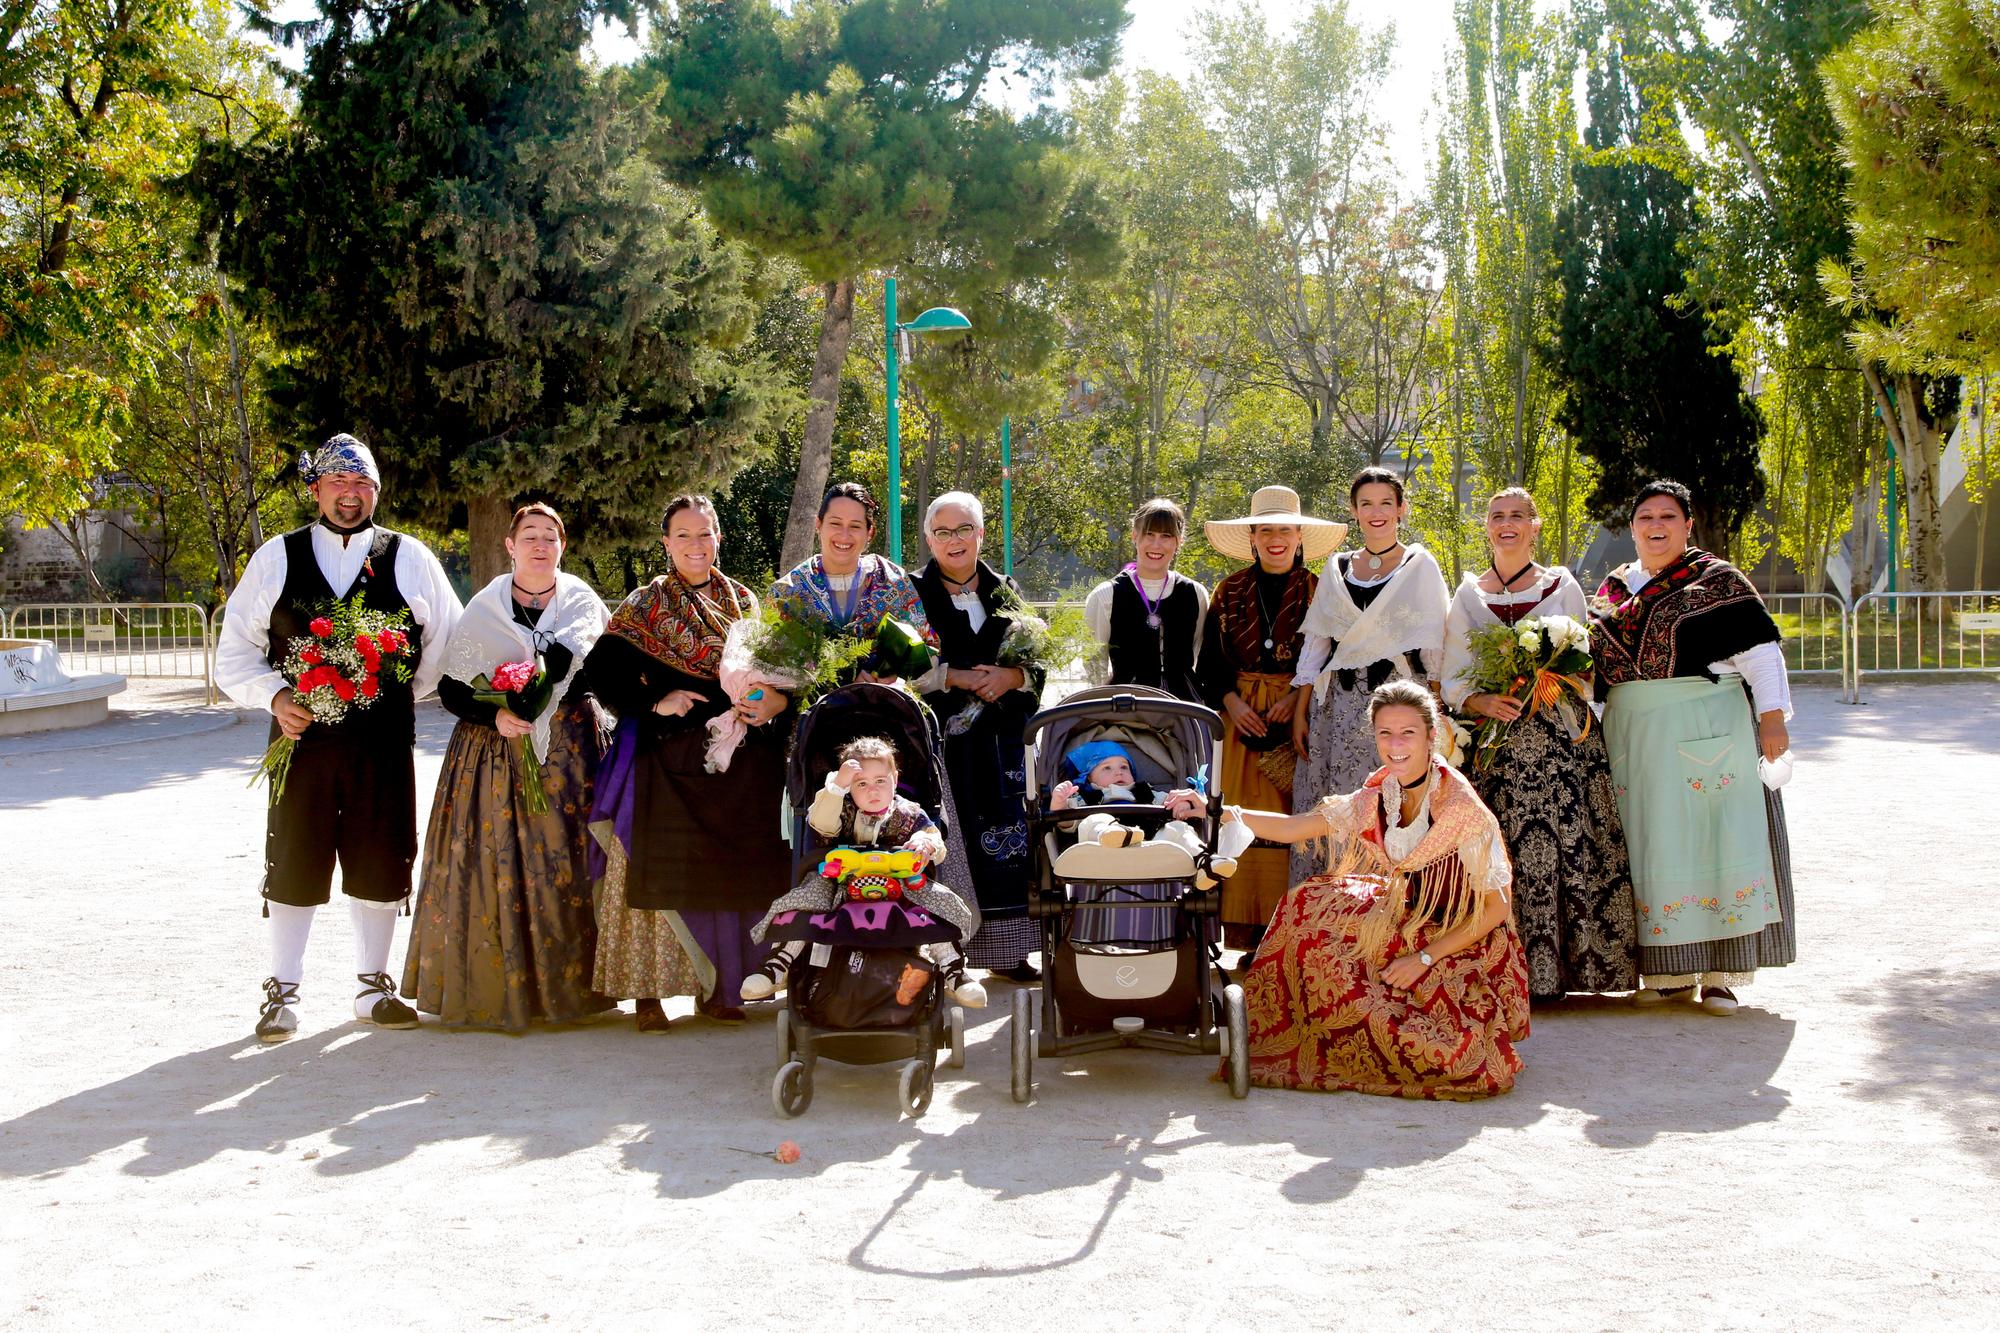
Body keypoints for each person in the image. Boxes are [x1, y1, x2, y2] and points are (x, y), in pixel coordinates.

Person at [215, 433, 462, 1042]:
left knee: (381, 853)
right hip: (302, 741)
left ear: (376, 491)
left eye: (362, 485)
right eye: (338, 484)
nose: (350, 496)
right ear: (316, 490)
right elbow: (233, 654)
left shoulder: (410, 557)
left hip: (382, 741)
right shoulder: (277, 556)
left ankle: (371, 985)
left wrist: (400, 689)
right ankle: (282, 991)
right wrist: (275, 696)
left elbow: (450, 642)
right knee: (297, 852)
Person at [1221, 681, 1530, 1099]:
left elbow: (1496, 909)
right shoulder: (1380, 792)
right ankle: (1321, 1045)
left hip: (1460, 935)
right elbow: (1297, 829)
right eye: (1385, 733)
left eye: (1408, 733)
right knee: (1304, 909)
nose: (1396, 744)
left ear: (1431, 735)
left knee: (1452, 1059)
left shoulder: (1460, 807)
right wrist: (1216, 810)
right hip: (1404, 911)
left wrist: (1423, 958)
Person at [581, 495, 793, 1030]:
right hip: (665, 758)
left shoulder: (745, 605)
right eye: (683, 535)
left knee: (729, 873)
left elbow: (778, 676)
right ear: (666, 543)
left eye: (704, 534)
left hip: (738, 764)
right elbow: (600, 672)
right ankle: (648, 994)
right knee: (655, 871)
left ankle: (724, 988)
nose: (695, 546)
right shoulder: (644, 605)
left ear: (719, 537)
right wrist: (656, 702)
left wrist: (762, 700)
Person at [400, 503, 613, 1031]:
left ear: (562, 548)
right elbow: (452, 689)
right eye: (530, 536)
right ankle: (499, 989)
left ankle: (574, 992)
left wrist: (542, 697)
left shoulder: (582, 603)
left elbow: (594, 672)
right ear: (510, 546)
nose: (541, 545)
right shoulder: (484, 608)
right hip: (495, 759)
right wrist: (497, 715)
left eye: (551, 538)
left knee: (568, 862)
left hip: (572, 756)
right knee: (497, 862)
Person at [1591, 479, 1796, 1015]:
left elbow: (1761, 654)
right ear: (1631, 528)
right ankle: (1667, 973)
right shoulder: (1614, 589)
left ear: (1687, 525)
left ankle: (1719, 975)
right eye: (1644, 517)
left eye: (1667, 516)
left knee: (1714, 844)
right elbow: (1596, 668)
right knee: (1652, 846)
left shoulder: (1718, 581)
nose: (1655, 526)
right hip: (1635, 736)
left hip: (1707, 727)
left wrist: (1772, 720)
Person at [1440, 487, 1639, 1001]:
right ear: (1485, 526)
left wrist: (1543, 683)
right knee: (1499, 846)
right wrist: (1482, 703)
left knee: (1563, 841)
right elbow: (1452, 676)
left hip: (1557, 738)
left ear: (1535, 526)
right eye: (1496, 516)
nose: (1506, 525)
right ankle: (1498, 971)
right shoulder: (1467, 593)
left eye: (1517, 517)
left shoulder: (1560, 584)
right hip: (1497, 743)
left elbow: (1580, 654)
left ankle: (1569, 971)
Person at [1197, 484, 1342, 953]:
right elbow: (1211, 661)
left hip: (1298, 718)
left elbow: (1330, 657)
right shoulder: (1229, 589)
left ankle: (1288, 936)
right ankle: (1242, 933)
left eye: (1285, 529)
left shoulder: (1321, 590)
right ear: (1253, 537)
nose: (1275, 538)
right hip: (1239, 717)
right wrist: (1234, 704)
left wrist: (1296, 697)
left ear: (1299, 535)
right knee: (1238, 821)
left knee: (1293, 818)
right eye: (1265, 530)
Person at [1289, 467, 1449, 883]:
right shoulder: (1337, 567)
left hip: (1399, 705)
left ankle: (1390, 920)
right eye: (1365, 504)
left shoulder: (1420, 565)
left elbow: (1433, 647)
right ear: (1354, 512)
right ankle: (1331, 917)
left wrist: (1438, 717)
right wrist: (1300, 712)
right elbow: (1317, 646)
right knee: (1336, 808)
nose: (1376, 512)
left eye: (1385, 503)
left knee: (1393, 804)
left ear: (1401, 509)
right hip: (1338, 709)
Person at [741, 738, 986, 1008]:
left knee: (937, 902)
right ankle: (778, 965)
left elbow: (933, 839)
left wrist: (925, 843)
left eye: (881, 781)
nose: (873, 791)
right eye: (861, 784)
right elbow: (820, 822)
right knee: (806, 900)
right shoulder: (841, 808)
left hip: (899, 883)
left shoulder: (909, 812)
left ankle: (953, 971)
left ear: (894, 778)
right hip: (840, 883)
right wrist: (836, 787)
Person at [911, 492, 1044, 982]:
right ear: (928, 539)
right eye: (942, 532)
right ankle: (945, 956)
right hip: (942, 744)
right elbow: (898, 667)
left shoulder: (1006, 590)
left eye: (963, 529)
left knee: (1006, 842)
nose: (954, 540)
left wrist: (1012, 678)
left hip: (1001, 742)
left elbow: (1039, 662)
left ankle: (1008, 954)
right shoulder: (911, 593)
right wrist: (957, 677)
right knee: (950, 842)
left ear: (982, 533)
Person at [769, 481, 939, 676]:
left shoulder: (892, 582)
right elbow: (771, 666)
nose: (844, 535)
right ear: (818, 524)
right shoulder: (789, 592)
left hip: (886, 703)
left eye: (855, 526)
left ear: (869, 532)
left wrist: (894, 680)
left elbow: (927, 653)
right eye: (835, 523)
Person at [1050, 741, 1253, 889]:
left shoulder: (1146, 792)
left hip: (1149, 846)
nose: (1118, 772)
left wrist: (1181, 804)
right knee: (1095, 819)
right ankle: (1115, 832)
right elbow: (1066, 823)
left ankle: (1205, 861)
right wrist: (1059, 802)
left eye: (1124, 766)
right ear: (1088, 777)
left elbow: (1170, 799)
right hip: (1099, 852)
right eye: (1107, 768)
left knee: (1179, 829)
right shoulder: (1085, 796)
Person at [1083, 497, 1208, 702]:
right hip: (1126, 702)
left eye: (1166, 536)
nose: (1156, 544)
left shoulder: (1196, 593)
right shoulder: (1105, 595)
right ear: (1135, 535)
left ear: (1179, 541)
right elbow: (1095, 664)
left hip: (1185, 703)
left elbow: (1199, 651)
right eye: (1149, 534)